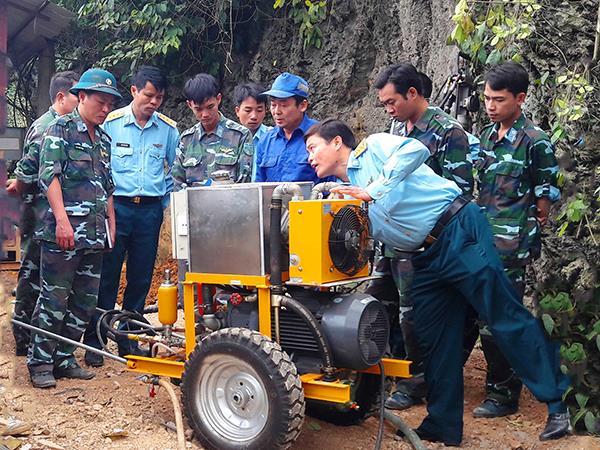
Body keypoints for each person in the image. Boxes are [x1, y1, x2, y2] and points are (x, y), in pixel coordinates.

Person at [304, 119, 571, 446]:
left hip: (458, 229)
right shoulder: (344, 197)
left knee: (503, 315)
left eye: (313, 148)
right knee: (434, 336)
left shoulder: (373, 148)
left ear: (336, 143)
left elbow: (415, 149)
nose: (310, 158)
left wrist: (372, 190)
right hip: (424, 255)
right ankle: (443, 425)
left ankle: (559, 405)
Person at [372, 63, 475, 410]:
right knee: (379, 303)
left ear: (412, 94)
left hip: (424, 243)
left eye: (391, 102)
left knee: (415, 313)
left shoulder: (449, 133)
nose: (388, 109)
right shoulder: (396, 130)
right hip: (392, 239)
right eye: (385, 104)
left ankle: (418, 383)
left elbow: (458, 195)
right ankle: (393, 371)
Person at [471, 61, 562, 418]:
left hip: (512, 247)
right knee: (482, 318)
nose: (491, 105)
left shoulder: (535, 142)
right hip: (483, 242)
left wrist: (526, 234)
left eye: (499, 99)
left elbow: (544, 198)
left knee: (500, 320)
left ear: (520, 99)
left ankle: (504, 394)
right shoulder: (486, 137)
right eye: (487, 98)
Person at [27, 68, 120, 388]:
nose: (106, 109)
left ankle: (65, 357)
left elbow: (108, 188)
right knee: (54, 299)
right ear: (82, 97)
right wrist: (63, 221)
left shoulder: (104, 140)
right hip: (63, 234)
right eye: (101, 102)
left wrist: (112, 225)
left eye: (110, 104)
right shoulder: (60, 129)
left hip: (94, 235)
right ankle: (40, 362)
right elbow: (47, 177)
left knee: (83, 302)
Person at [82, 66, 179, 367]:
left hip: (149, 212)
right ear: (135, 91)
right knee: (107, 276)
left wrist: (161, 203)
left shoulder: (167, 130)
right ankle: (96, 341)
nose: (154, 102)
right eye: (149, 95)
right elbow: (98, 167)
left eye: (159, 98)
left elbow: (175, 171)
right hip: (116, 209)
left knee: (140, 278)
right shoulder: (111, 124)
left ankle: (130, 340)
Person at [7, 71, 80, 356]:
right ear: (62, 97)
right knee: (32, 276)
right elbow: (27, 176)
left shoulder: (67, 127)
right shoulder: (45, 127)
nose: (82, 100)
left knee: (48, 280)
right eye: (78, 95)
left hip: (52, 216)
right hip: (39, 216)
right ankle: (24, 337)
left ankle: (44, 336)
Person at [172, 73, 254, 188]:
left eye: (210, 107)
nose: (205, 114)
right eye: (198, 109)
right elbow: (178, 182)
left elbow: (244, 183)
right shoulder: (186, 140)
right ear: (189, 105)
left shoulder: (240, 135)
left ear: (218, 99)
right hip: (193, 204)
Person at [254, 72, 332, 183]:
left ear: (302, 105)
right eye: (273, 105)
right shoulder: (265, 141)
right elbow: (259, 184)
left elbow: (330, 183)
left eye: (284, 105)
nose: (276, 111)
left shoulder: (322, 136)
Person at [233, 82, 272, 180]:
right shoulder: (228, 139)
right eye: (248, 110)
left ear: (266, 110)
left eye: (259, 110)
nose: (254, 116)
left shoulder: (272, 138)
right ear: (238, 111)